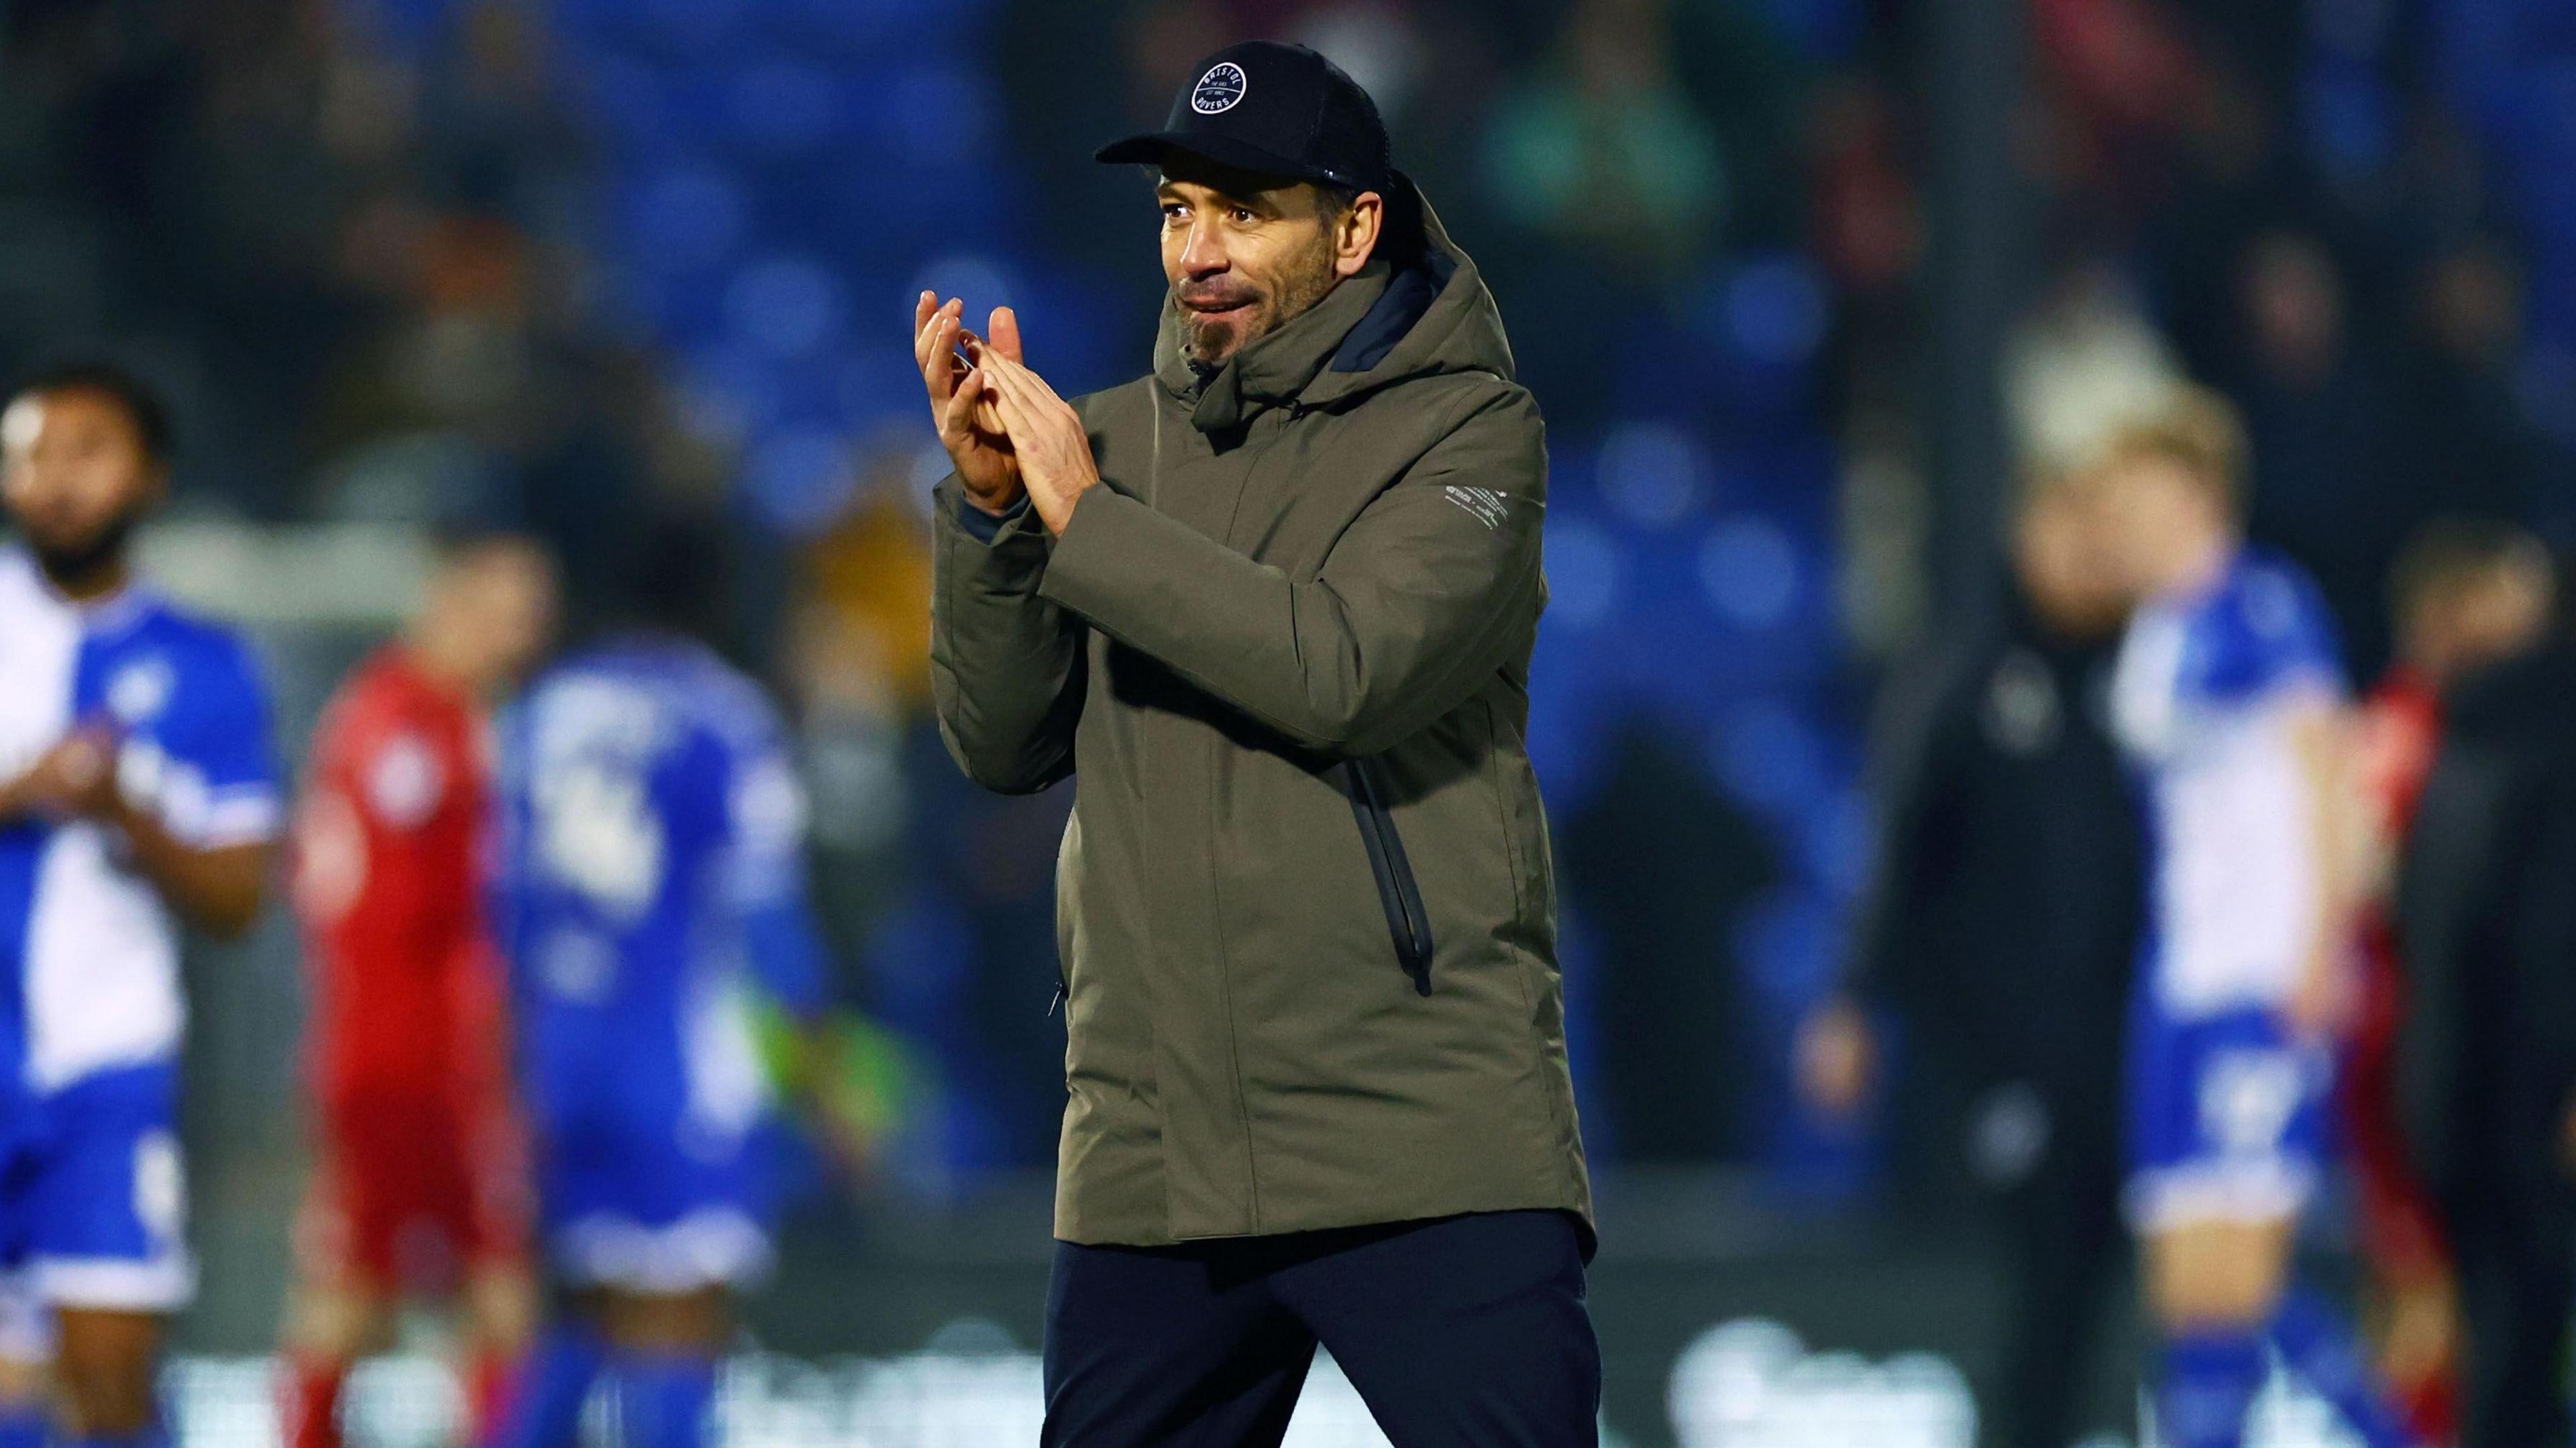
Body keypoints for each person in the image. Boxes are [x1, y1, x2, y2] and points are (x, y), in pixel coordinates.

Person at [920, 39, 1596, 1447]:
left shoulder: (1473, 438)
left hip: (1415, 1136)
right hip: (1155, 1155)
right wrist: (992, 521)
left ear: (1356, 226)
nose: (1200, 251)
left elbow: (1342, 669)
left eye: (1246, 210)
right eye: (1178, 210)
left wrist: (1083, 526)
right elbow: (1000, 743)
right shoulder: (1097, 448)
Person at [2084, 388, 2409, 1448]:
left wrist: (2324, 946)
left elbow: (2333, 782)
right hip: (2180, 978)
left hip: (2263, 969)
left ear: (2196, 491)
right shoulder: (2154, 631)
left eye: (2136, 492)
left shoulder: (2263, 605)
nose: (2119, 517)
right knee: (2189, 1287)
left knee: (2243, 1274)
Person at [1796, 476, 2143, 1448]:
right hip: (1990, 1047)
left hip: (2117, 1040)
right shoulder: (1966, 666)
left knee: (2088, 1293)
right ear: (2023, 535)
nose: (2091, 555)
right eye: (2070, 528)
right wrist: (1849, 1000)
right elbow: (1896, 838)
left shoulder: (2150, 673)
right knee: (2011, 1285)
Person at [488, 521, 837, 1448]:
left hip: (554, 1060)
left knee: (576, 1318)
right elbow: (769, 918)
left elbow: (497, 902)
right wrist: (826, 1074)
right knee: (680, 1320)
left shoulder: (537, 715)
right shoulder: (725, 718)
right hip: (675, 1067)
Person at [0, 362, 280, 1448]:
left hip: (109, 1069)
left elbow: (237, 897)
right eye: (30, 455)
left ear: (151, 477)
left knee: (112, 1389)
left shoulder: (205, 669)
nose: (54, 480)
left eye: (87, 451)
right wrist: (21, 793)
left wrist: (128, 811)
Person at [278, 531, 561, 1448]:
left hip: (378, 1054)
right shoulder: (415, 730)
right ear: (446, 601)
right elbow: (397, 923)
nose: (518, 639)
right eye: (501, 613)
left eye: (532, 620)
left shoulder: (397, 714)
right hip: (415, 1059)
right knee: (481, 1295)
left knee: (362, 1287)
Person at [2341, 520, 2552, 1444]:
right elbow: (2357, 884)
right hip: (2405, 1044)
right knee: (2428, 1288)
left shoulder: (2477, 732)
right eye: (2514, 603)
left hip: (2442, 1044)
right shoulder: (2409, 735)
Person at [2393, 577, 2576, 1448]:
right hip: (2530, 1103)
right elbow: (2550, 925)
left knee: (2501, 1357)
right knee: (2520, 1358)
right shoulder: (2548, 724)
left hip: (2448, 1083)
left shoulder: (2478, 716)